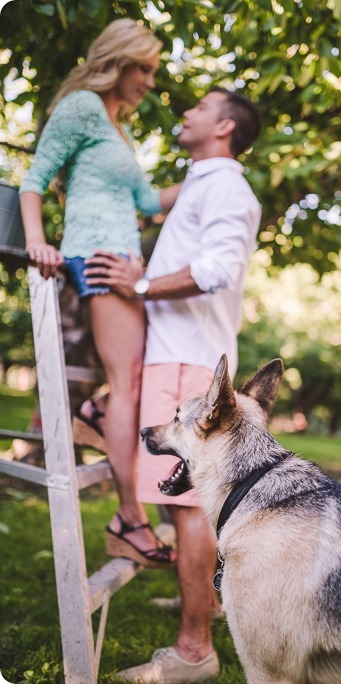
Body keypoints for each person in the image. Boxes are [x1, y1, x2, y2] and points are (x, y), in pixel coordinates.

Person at [84, 87, 262, 683]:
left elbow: (214, 270)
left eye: (200, 107)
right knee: (182, 503)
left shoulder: (227, 189)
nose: (186, 111)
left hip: (186, 364)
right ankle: (205, 606)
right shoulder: (202, 185)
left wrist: (139, 284)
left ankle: (193, 652)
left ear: (225, 126)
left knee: (187, 509)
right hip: (177, 358)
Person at [19, 18, 178, 569]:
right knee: (129, 386)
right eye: (146, 69)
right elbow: (33, 181)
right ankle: (129, 518)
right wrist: (41, 244)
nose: (151, 82)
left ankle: (95, 411)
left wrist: (215, 172)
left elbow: (151, 202)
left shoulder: (118, 129)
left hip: (126, 266)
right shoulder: (83, 107)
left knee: (134, 382)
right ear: (120, 61)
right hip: (97, 259)